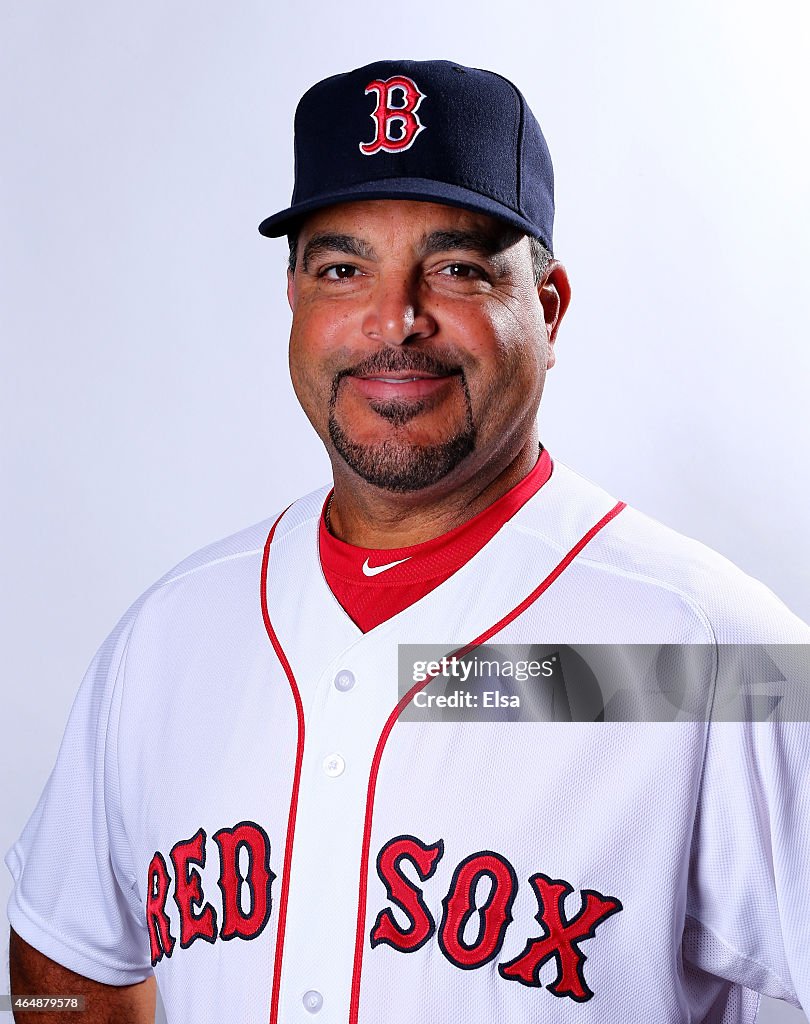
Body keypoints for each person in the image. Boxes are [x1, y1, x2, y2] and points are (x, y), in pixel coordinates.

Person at [6, 59, 810, 1024]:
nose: (395, 320)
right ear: (296, 302)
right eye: (343, 268)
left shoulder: (707, 653)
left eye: (459, 268)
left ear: (547, 311)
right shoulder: (169, 635)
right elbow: (63, 957)